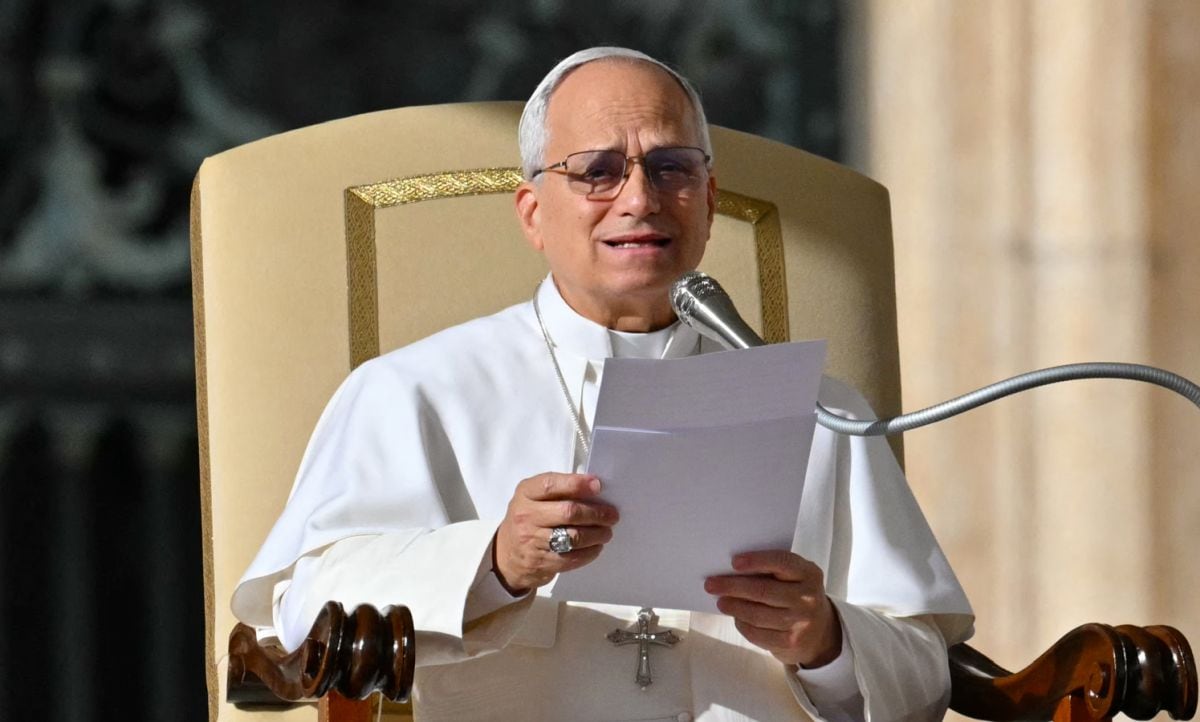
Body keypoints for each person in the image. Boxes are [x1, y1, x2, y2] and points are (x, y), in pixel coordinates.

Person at [233, 47, 973, 721]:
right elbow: (300, 615)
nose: (640, 198)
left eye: (671, 167)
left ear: (710, 203)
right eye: (597, 170)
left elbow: (926, 676)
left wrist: (826, 639)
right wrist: (494, 563)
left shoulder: (822, 411)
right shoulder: (413, 392)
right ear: (532, 213)